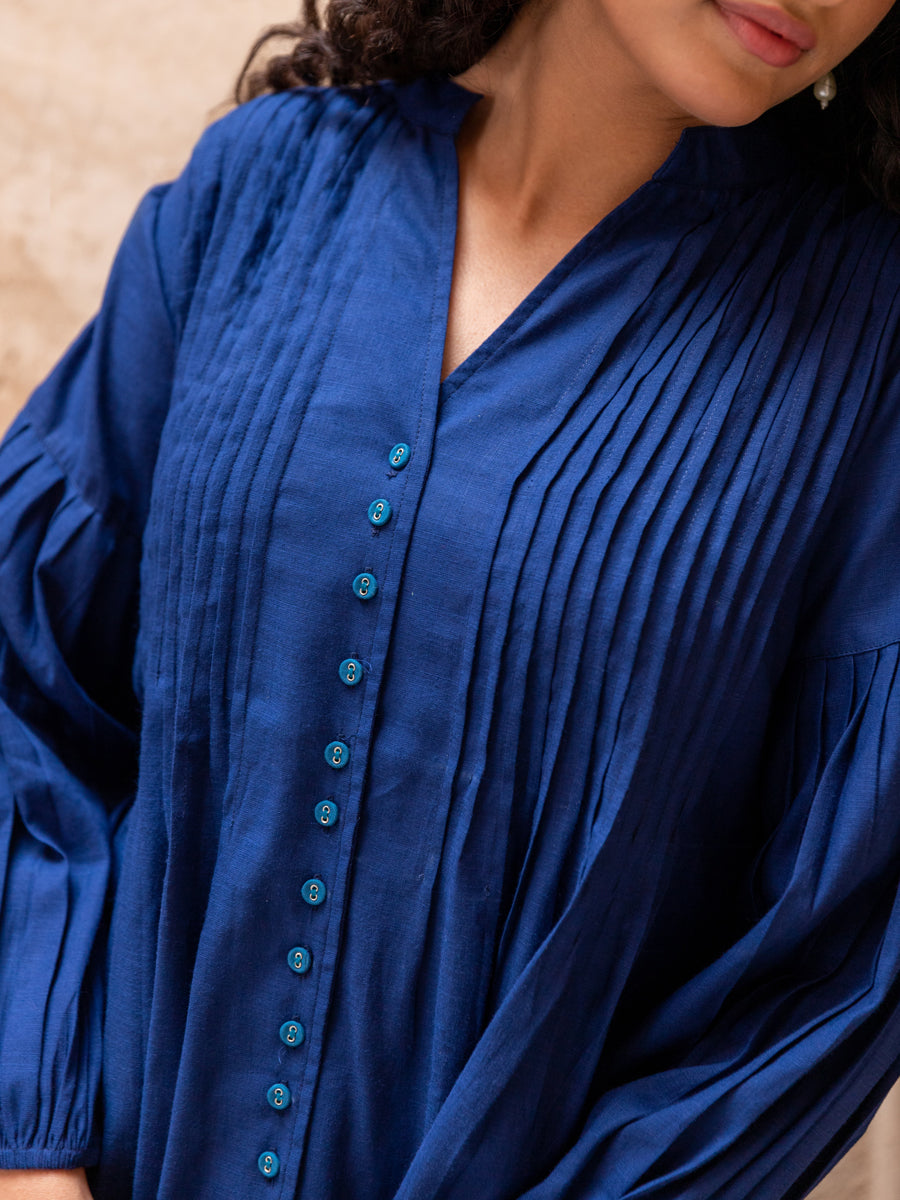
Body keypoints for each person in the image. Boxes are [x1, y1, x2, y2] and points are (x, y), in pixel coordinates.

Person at [2, 0, 900, 1196]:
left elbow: (829, 955)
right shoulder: (258, 190)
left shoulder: (868, 348)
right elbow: (28, 683)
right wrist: (34, 1149)